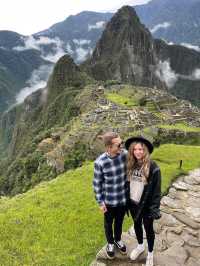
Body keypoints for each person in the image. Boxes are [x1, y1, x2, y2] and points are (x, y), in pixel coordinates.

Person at [125, 136, 161, 266]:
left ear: (145, 150)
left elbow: (157, 191)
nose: (138, 152)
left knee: (149, 229)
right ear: (131, 151)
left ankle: (150, 253)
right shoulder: (130, 164)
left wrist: (154, 209)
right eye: (135, 149)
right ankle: (140, 246)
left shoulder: (153, 167)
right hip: (133, 203)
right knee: (136, 225)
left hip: (146, 205)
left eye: (140, 149)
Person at [93, 132, 128, 259]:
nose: (121, 147)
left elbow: (138, 158)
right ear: (109, 148)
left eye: (122, 143)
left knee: (119, 222)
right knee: (108, 224)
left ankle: (118, 240)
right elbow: (97, 184)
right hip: (108, 201)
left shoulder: (124, 155)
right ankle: (110, 243)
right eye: (118, 145)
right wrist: (100, 202)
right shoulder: (100, 162)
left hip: (122, 199)